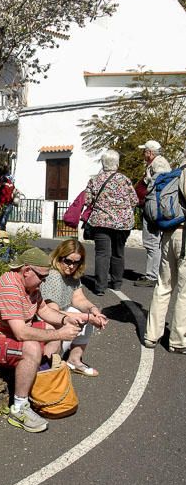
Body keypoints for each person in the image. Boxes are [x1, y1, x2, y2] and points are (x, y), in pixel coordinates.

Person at [0, 247, 87, 434]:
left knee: (51, 328)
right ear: (26, 271)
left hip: (7, 338)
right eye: (42, 276)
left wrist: (65, 320)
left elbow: (45, 312)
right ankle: (19, 408)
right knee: (31, 347)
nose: (44, 281)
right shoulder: (9, 288)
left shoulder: (31, 285)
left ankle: (43, 377)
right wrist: (60, 335)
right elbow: (21, 333)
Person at [40, 239, 108, 376]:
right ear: (59, 257)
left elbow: (79, 299)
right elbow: (52, 312)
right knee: (80, 319)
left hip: (60, 314)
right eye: (68, 261)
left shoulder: (72, 276)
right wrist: (87, 317)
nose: (71, 266)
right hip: (47, 318)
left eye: (76, 262)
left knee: (85, 316)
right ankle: (48, 366)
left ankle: (74, 360)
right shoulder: (53, 275)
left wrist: (94, 310)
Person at [144, 143, 186, 353]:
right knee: (184, 291)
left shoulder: (175, 173)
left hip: (168, 234)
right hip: (184, 236)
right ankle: (178, 341)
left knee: (163, 285)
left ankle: (151, 335)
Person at [85, 149, 138, 296]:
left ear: (103, 163)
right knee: (118, 253)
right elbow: (134, 200)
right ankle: (116, 283)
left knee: (102, 254)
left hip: (101, 222)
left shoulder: (95, 180)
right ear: (117, 163)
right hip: (123, 224)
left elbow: (87, 200)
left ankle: (100, 287)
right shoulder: (124, 179)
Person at [135, 140, 171, 287]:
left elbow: (159, 186)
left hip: (153, 207)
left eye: (145, 151)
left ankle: (152, 276)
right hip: (153, 206)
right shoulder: (157, 163)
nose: (144, 154)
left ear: (150, 152)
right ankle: (154, 273)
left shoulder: (159, 165)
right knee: (154, 242)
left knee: (151, 242)